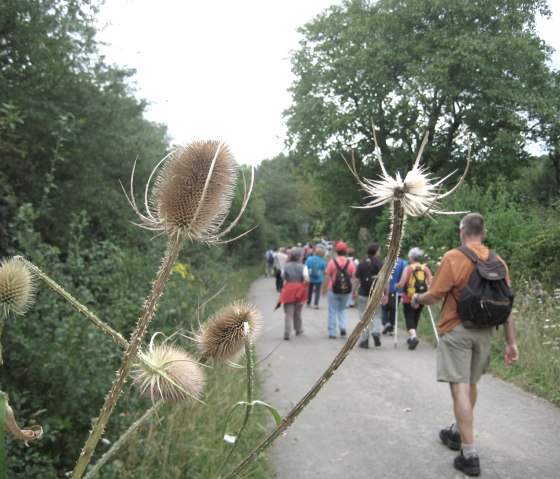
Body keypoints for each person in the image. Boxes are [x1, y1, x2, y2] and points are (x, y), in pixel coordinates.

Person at [412, 213, 519, 477]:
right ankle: (458, 431)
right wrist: (511, 343)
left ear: (462, 232)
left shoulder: (453, 257)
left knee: (459, 387)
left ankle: (469, 453)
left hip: (457, 329)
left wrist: (417, 298)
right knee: (470, 384)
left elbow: (435, 295)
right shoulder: (498, 261)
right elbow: (507, 305)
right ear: (484, 232)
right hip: (485, 331)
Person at [395, 247, 432, 350]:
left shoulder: (408, 268)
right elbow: (431, 283)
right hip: (422, 297)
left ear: (411, 257)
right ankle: (412, 336)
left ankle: (413, 336)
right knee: (416, 316)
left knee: (409, 317)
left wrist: (396, 286)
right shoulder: (426, 269)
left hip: (408, 298)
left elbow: (402, 284)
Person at [352, 242, 385, 349]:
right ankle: (375, 332)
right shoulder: (381, 264)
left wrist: (353, 291)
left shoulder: (361, 263)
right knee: (375, 314)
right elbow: (385, 281)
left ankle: (365, 340)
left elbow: (356, 280)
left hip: (363, 293)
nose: (380, 252)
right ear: (376, 252)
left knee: (363, 316)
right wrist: (386, 294)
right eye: (379, 250)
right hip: (376, 294)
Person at [322, 241, 356, 339]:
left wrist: (324, 289)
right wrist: (353, 291)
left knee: (332, 311)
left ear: (337, 251)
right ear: (346, 251)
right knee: (342, 310)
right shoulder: (351, 263)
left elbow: (327, 277)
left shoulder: (332, 262)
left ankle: (332, 332)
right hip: (346, 290)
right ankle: (343, 327)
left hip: (333, 289)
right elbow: (354, 277)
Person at [276, 247, 309, 340]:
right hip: (299, 290)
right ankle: (298, 329)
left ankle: (287, 332)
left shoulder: (286, 266)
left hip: (288, 289)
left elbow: (283, 276)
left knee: (288, 312)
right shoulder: (303, 267)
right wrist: (304, 286)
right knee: (298, 311)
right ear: (299, 257)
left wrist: (289, 280)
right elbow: (306, 279)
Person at [381, 256, 407, 335]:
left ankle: (386, 322)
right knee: (394, 309)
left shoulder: (387, 261)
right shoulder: (404, 263)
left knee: (384, 307)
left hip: (386, 290)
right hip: (398, 291)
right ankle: (391, 327)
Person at [305, 245, 327, 309]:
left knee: (310, 290)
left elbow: (306, 267)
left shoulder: (309, 259)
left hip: (310, 277)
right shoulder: (322, 261)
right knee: (317, 291)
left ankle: (308, 302)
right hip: (319, 278)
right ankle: (316, 304)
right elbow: (324, 270)